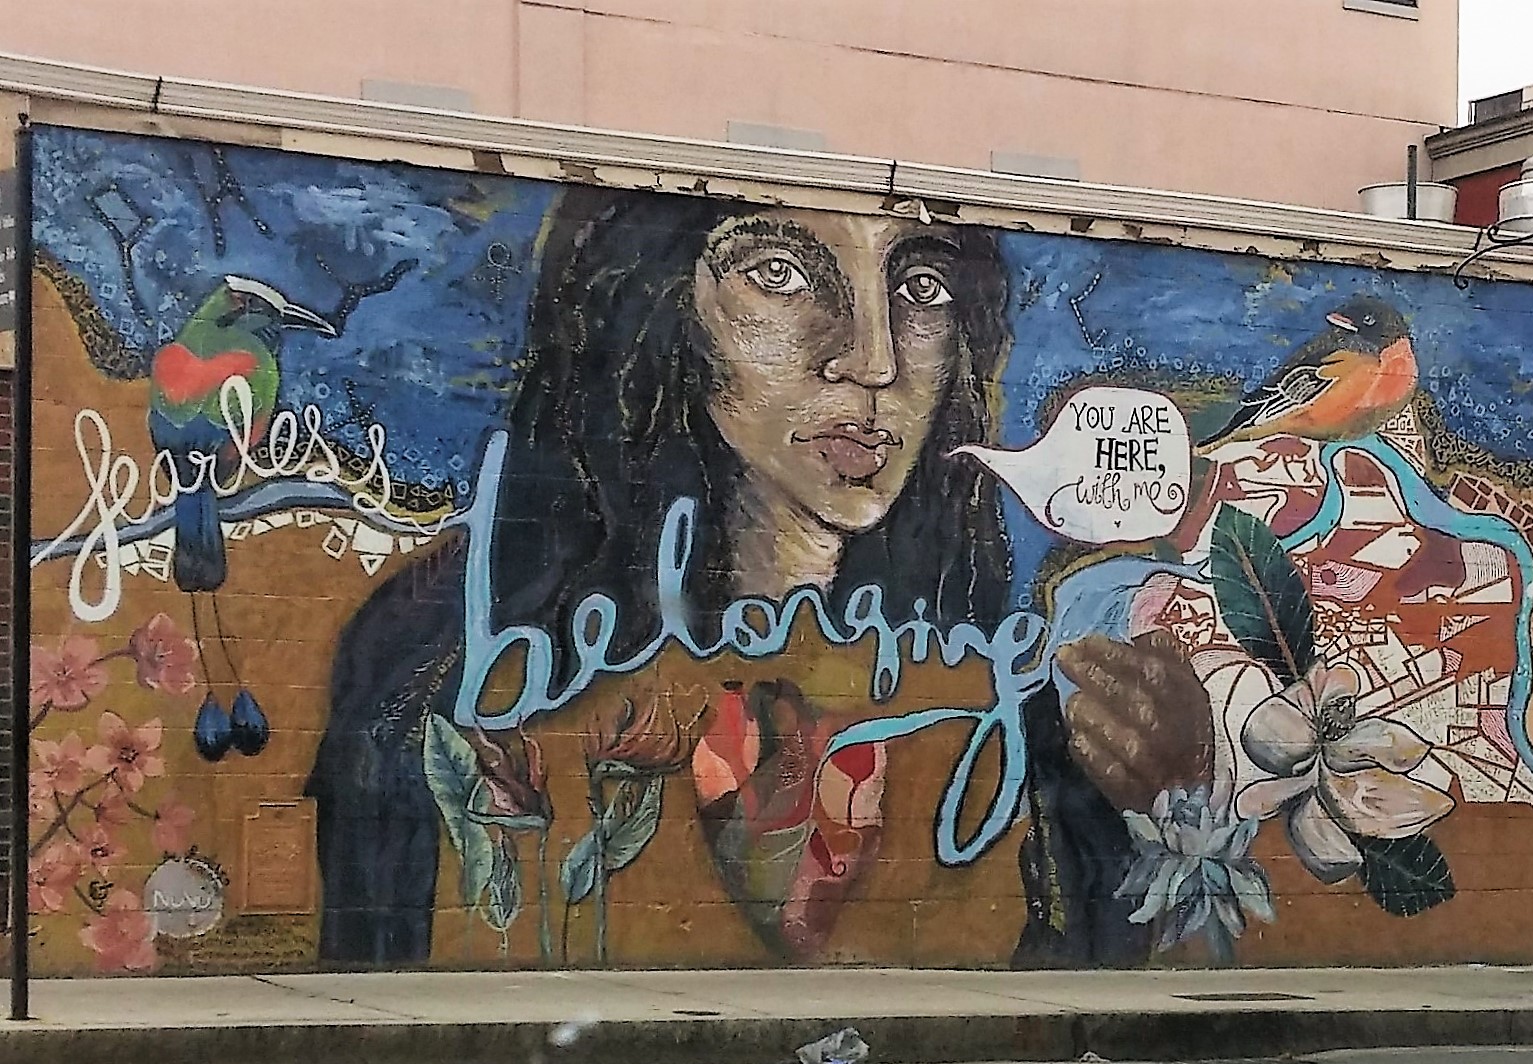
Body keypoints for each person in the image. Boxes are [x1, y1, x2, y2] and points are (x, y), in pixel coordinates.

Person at [305, 188, 1144, 965]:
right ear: (663, 301)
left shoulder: (1010, 693)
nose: (873, 360)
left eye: (921, 288)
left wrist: (1160, 795)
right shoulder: (431, 663)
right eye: (779, 274)